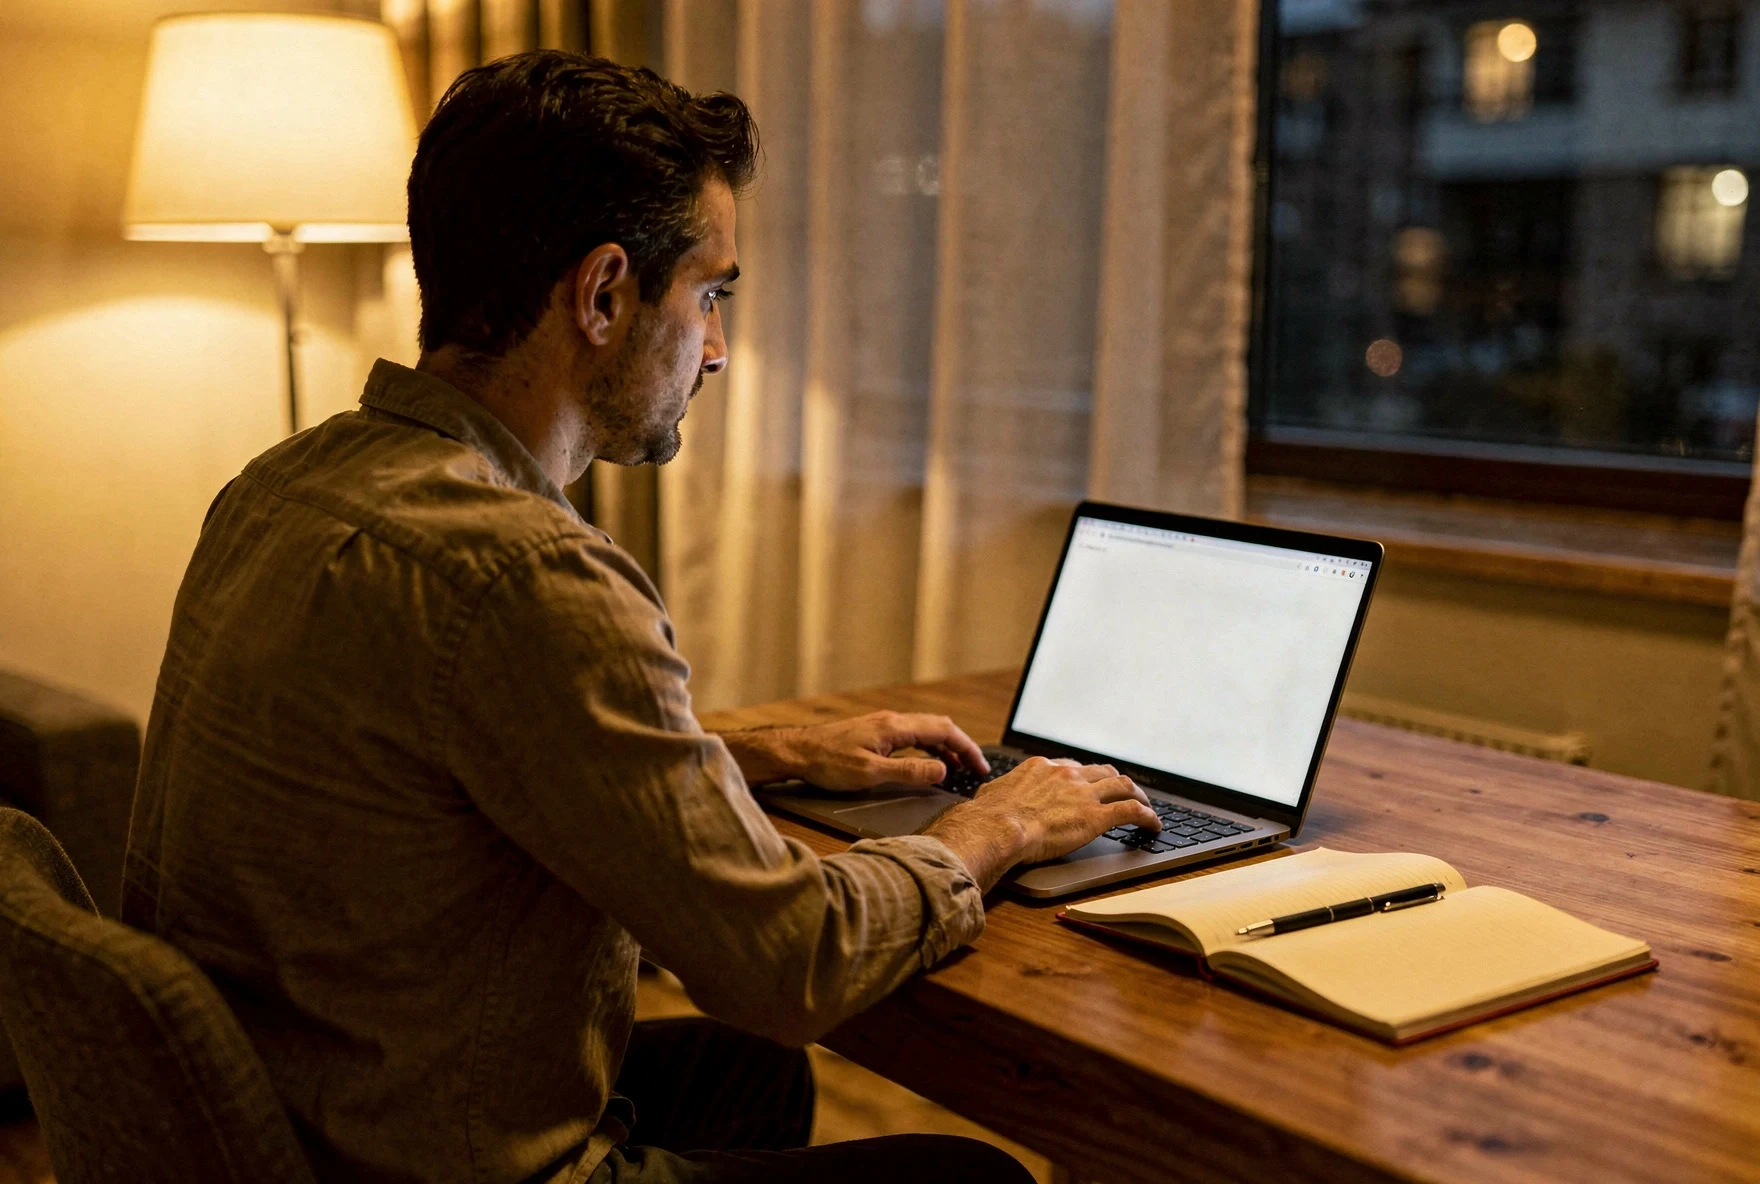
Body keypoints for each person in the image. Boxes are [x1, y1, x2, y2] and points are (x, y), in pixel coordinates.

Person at [122, 51, 1159, 1184]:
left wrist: (769, 752)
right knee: (969, 1176)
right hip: (430, 1161)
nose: (716, 348)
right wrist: (997, 824)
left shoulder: (280, 485)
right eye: (710, 295)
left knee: (749, 1078)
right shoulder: (527, 572)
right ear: (605, 294)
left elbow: (456, 765)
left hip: (288, 1114)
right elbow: (789, 966)